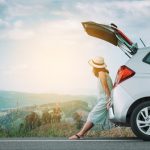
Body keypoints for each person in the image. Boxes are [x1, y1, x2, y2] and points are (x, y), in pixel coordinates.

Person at [69, 56, 113, 140]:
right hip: (105, 99)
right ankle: (81, 134)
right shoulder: (105, 73)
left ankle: (80, 134)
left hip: (105, 100)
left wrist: (109, 100)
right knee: (94, 116)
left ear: (95, 67)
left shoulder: (101, 73)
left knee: (92, 115)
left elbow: (106, 87)